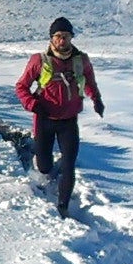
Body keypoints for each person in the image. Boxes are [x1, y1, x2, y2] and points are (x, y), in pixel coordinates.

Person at [15, 17, 104, 218]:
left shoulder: (81, 60)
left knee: (69, 163)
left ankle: (63, 206)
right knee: (44, 167)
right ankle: (44, 167)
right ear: (51, 39)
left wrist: (96, 100)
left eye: (66, 36)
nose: (62, 40)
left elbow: (89, 81)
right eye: (58, 36)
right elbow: (21, 87)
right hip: (44, 119)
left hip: (69, 121)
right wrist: (33, 104)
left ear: (72, 37)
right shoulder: (39, 61)